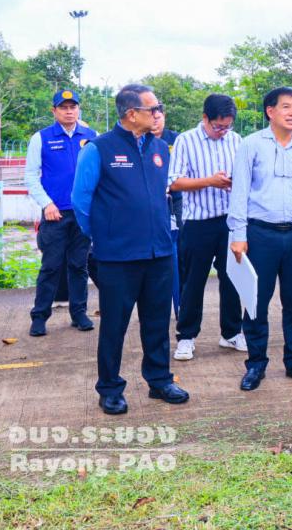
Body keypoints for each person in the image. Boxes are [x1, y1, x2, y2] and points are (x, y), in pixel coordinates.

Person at [72, 84, 187, 415]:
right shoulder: (99, 148)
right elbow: (81, 200)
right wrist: (104, 234)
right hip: (117, 256)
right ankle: (110, 388)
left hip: (158, 252)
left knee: (157, 322)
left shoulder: (160, 147)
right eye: (153, 108)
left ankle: (160, 380)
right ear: (132, 114)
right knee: (114, 325)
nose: (158, 114)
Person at [228, 87, 292, 392]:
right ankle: (256, 364)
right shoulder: (251, 145)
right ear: (270, 111)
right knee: (255, 303)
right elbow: (240, 192)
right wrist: (238, 235)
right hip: (260, 234)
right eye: (286, 107)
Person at [170, 94, 245, 361]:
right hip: (198, 222)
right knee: (193, 282)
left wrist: (234, 182)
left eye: (227, 126)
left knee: (232, 279)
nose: (223, 131)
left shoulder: (236, 141)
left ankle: (231, 332)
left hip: (229, 222)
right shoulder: (185, 140)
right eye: (218, 126)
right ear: (205, 118)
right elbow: (175, 182)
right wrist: (209, 181)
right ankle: (186, 337)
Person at [25, 89, 98, 337]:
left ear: (79, 109)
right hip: (54, 214)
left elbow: (99, 173)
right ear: (54, 111)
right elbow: (31, 177)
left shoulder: (91, 137)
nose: (69, 111)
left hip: (82, 214)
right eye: (63, 107)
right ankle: (39, 316)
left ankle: (79, 314)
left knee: (79, 266)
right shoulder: (41, 138)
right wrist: (47, 204)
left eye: (73, 107)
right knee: (51, 267)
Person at [151, 108, 184, 313]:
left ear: (164, 117)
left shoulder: (177, 140)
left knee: (179, 252)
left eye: (158, 117)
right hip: (151, 203)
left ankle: (180, 304)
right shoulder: (141, 140)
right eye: (151, 117)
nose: (155, 121)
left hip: (176, 201)